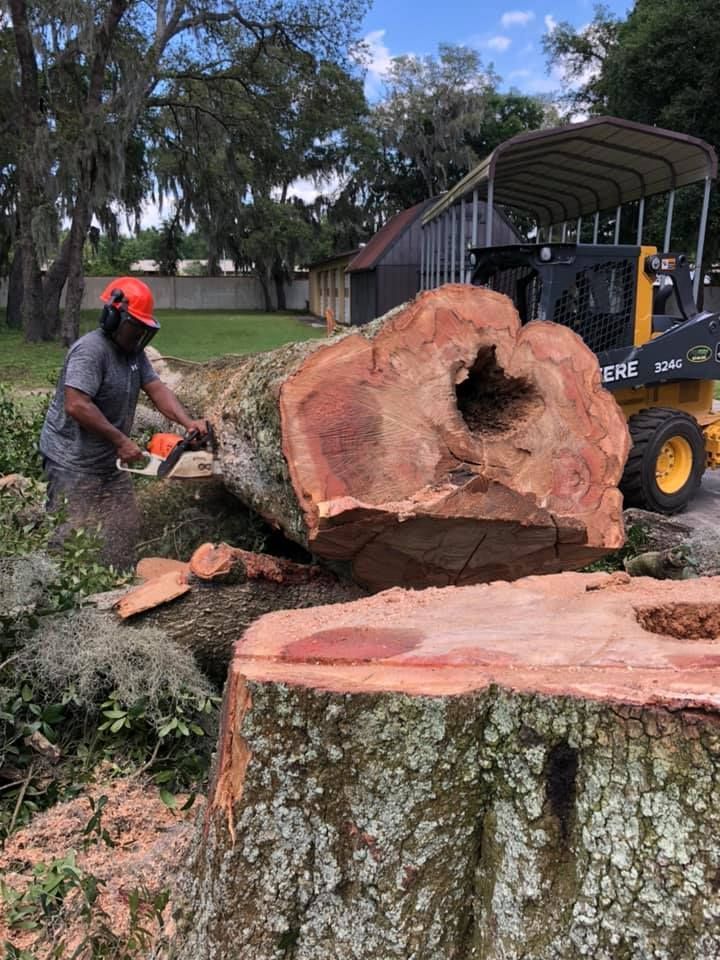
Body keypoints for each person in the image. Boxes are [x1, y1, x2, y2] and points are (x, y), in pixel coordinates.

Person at [39, 276, 208, 569]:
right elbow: (76, 404)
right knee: (69, 535)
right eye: (136, 327)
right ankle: (60, 594)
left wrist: (187, 421)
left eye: (145, 329)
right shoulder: (91, 351)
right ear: (114, 316)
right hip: (72, 462)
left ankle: (116, 579)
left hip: (109, 463)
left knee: (124, 524)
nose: (140, 335)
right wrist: (121, 441)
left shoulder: (133, 353)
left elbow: (156, 388)